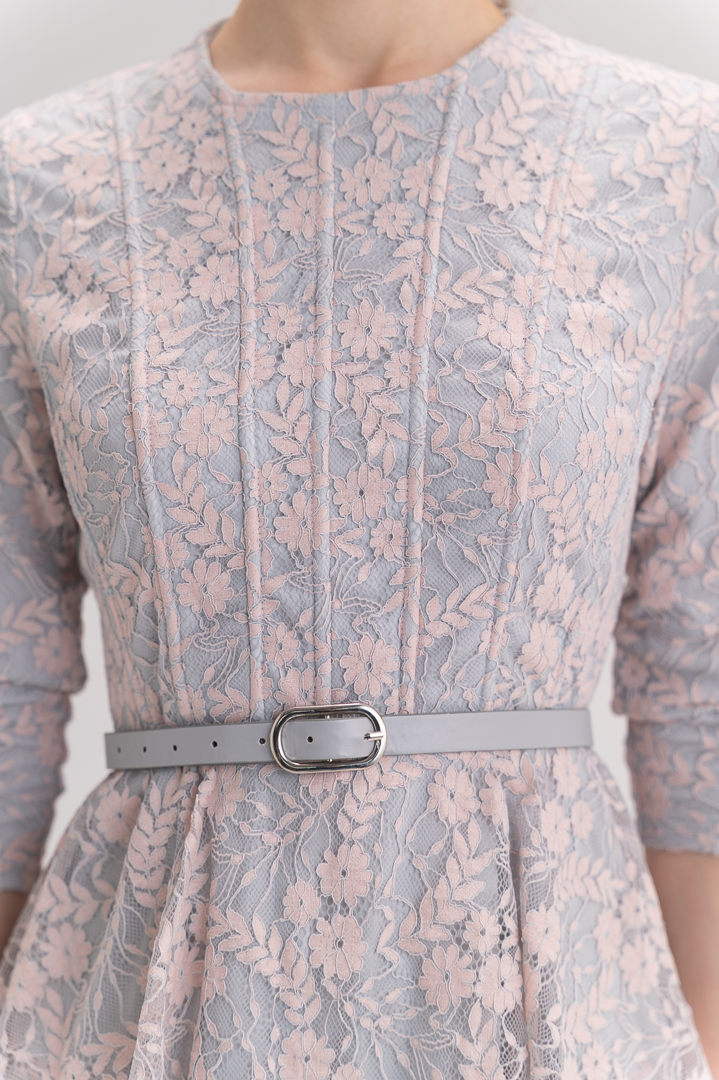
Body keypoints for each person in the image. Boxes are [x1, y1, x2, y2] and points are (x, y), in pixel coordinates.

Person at [0, 0, 717, 1075]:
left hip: (548, 1000)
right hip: (142, 1007)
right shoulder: (39, 182)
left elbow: (698, 672)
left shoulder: (673, 158)